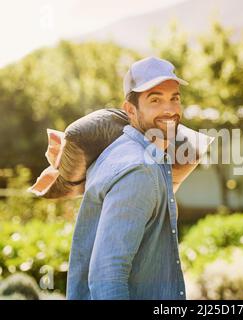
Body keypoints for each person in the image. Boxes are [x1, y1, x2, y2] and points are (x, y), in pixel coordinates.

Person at [66, 56, 189, 300]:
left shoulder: (122, 150)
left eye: (174, 98)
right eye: (155, 100)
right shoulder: (139, 171)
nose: (170, 110)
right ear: (130, 110)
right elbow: (107, 276)